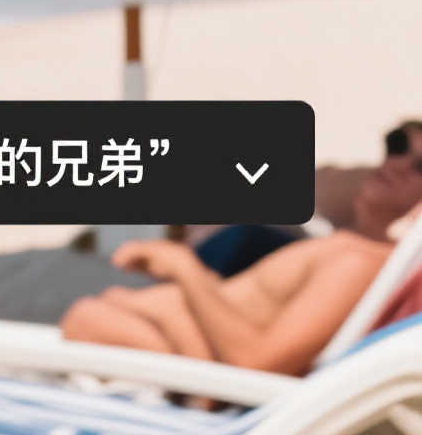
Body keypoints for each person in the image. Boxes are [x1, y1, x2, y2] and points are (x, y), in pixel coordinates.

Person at [60, 121, 422, 375]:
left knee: (86, 317)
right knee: (92, 312)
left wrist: (184, 270)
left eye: (420, 166)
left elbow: (258, 362)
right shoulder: (348, 245)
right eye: (397, 145)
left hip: (208, 381)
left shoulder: (359, 262)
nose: (397, 164)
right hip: (178, 352)